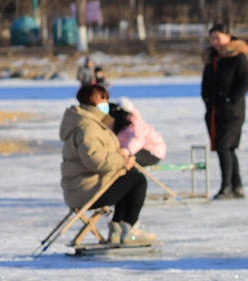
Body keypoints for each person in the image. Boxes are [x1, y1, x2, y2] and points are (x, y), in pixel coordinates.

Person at [59, 84, 157, 245]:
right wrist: (121, 161)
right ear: (94, 100)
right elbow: (93, 159)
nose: (107, 103)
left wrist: (119, 157)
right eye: (104, 99)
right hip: (85, 189)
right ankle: (129, 228)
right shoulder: (88, 127)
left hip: (83, 186)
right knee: (137, 181)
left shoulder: (89, 122)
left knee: (127, 179)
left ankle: (118, 229)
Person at [201, 22, 248, 200]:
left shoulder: (238, 56)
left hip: (232, 111)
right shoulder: (212, 57)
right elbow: (206, 84)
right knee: (227, 149)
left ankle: (226, 188)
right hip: (214, 111)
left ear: (228, 37)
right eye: (212, 38)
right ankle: (237, 187)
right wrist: (207, 100)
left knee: (224, 146)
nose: (215, 41)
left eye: (218, 37)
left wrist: (231, 99)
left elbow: (245, 82)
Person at [110, 97, 167, 167]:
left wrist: (126, 150)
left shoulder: (135, 124)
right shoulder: (118, 124)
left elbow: (138, 140)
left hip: (153, 152)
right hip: (137, 150)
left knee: (125, 159)